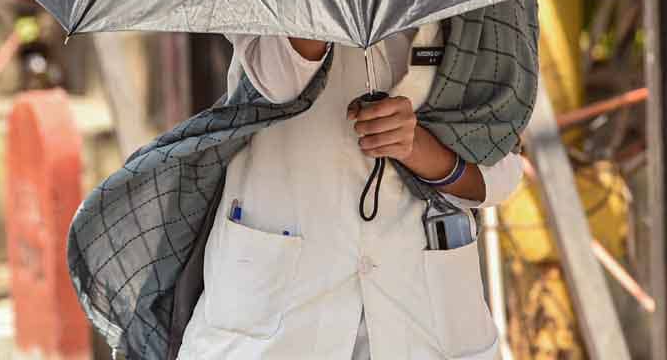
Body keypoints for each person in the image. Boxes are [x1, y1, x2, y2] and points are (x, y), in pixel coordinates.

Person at [176, 21, 527, 359]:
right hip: (278, 315)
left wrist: (419, 149)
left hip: (424, 315)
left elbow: (501, 171)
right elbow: (281, 81)